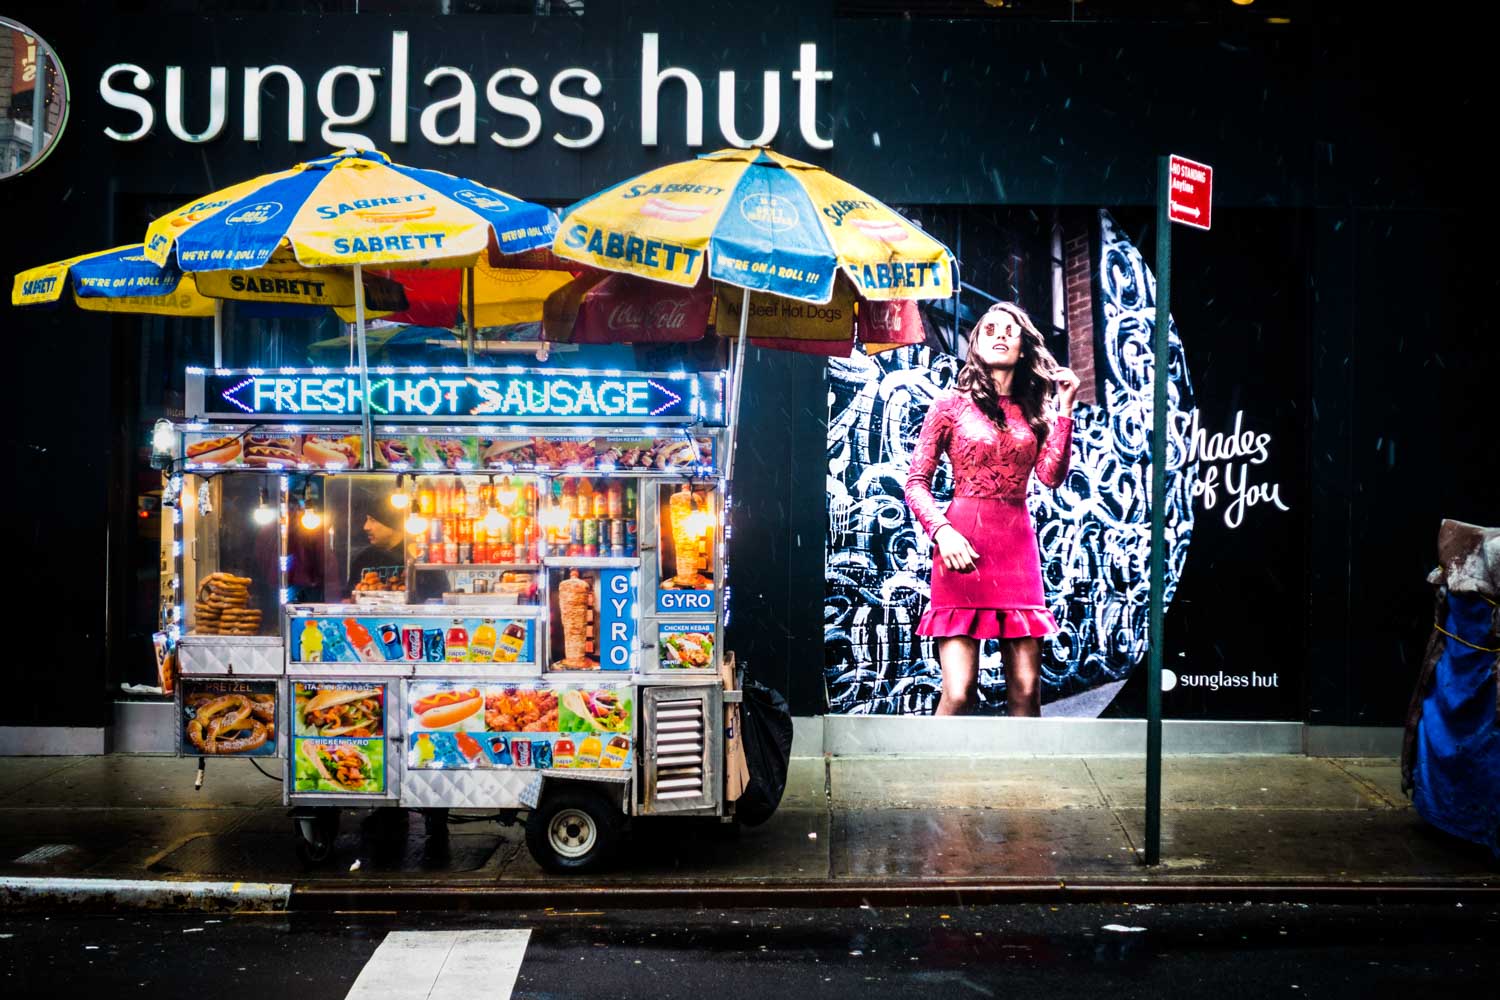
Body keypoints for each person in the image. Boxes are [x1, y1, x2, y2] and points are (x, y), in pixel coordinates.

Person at [904, 302, 1079, 717]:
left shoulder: (1037, 412)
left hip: (1017, 551)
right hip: (959, 547)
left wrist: (1065, 408)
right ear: (976, 345)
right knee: (961, 692)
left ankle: (1021, 782)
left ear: (1022, 349)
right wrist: (942, 532)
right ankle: (936, 778)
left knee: (1024, 689)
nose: (1000, 335)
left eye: (1010, 330)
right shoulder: (949, 406)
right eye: (990, 329)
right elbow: (915, 483)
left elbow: (1050, 477)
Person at [343, 503, 404, 599]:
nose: (366, 527)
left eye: (373, 520)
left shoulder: (413, 554)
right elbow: (348, 598)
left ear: (391, 524)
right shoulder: (364, 558)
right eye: (367, 520)